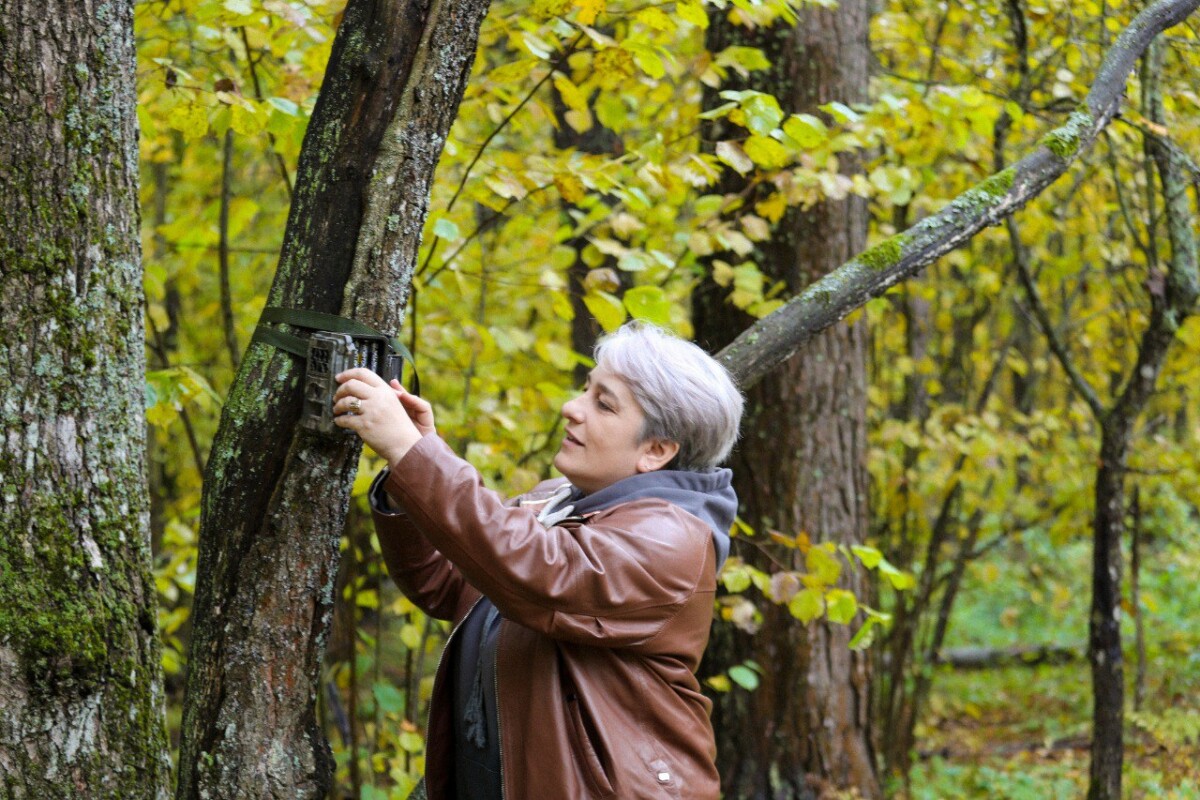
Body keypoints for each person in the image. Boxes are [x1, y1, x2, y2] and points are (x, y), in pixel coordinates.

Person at [333, 322, 743, 800]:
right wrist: (409, 472)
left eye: (603, 404)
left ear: (655, 451)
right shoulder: (559, 503)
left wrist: (414, 453)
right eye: (586, 390)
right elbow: (447, 582)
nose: (572, 409)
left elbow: (538, 571)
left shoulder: (671, 539)